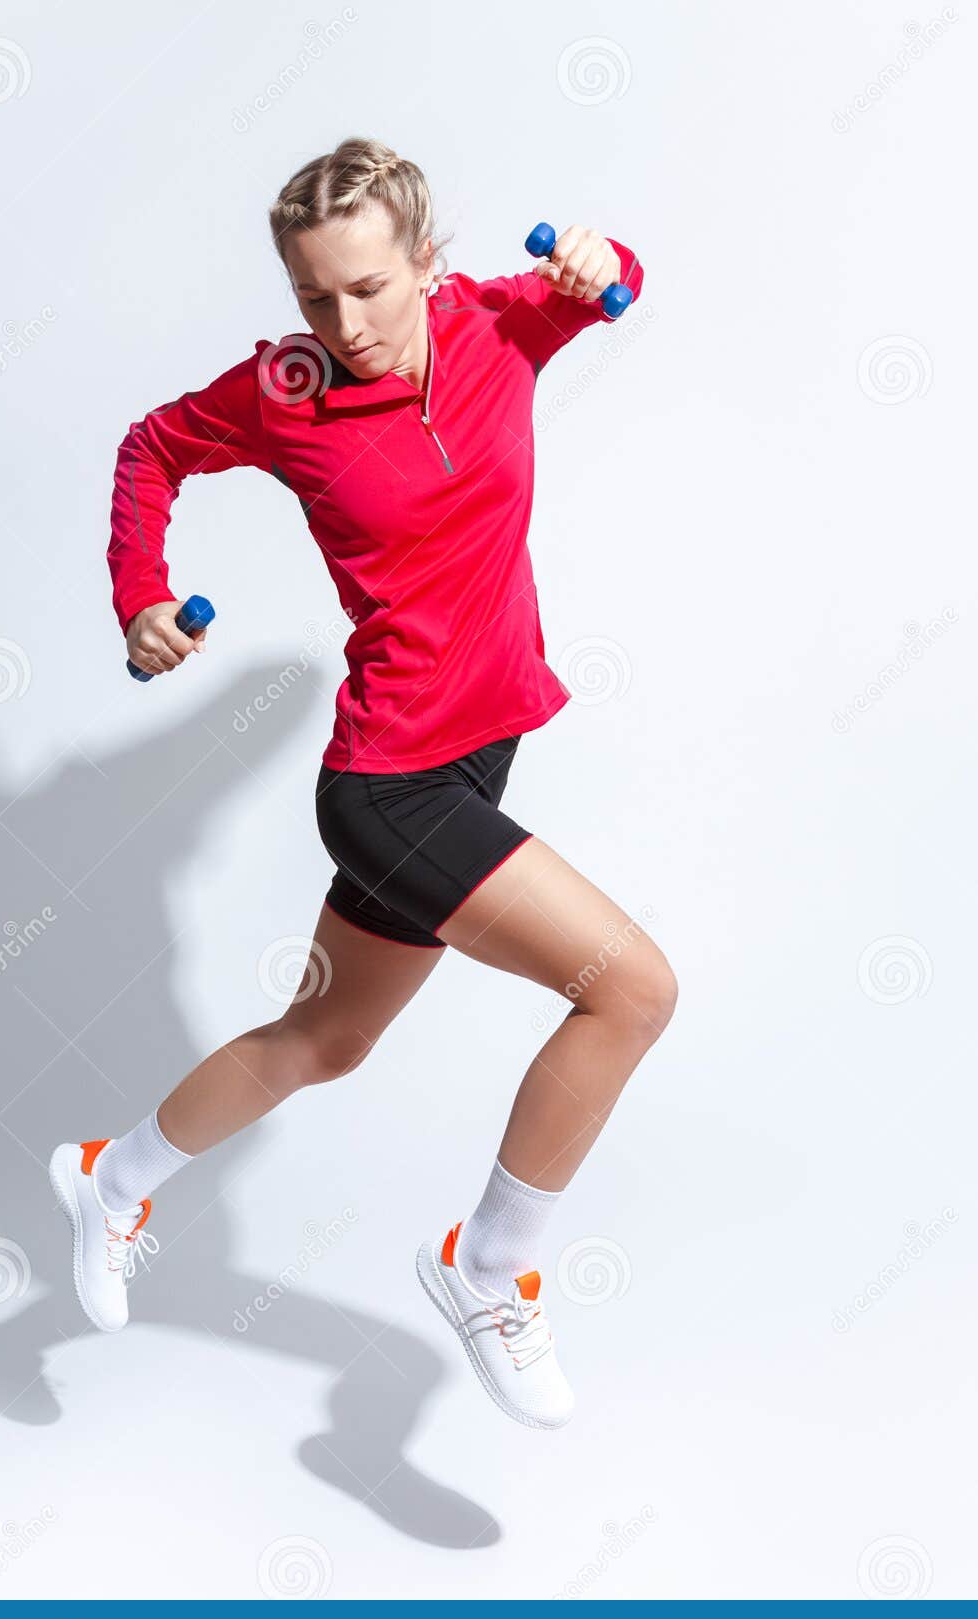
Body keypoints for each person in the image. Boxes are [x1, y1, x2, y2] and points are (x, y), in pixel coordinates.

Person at [49, 136, 677, 1431]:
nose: (345, 324)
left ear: (429, 262)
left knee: (320, 1040)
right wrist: (140, 599)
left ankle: (111, 1179)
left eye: (371, 290)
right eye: (315, 298)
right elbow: (152, 448)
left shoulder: (499, 323)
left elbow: (611, 283)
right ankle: (488, 1265)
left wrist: (608, 262)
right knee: (630, 988)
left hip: (479, 746)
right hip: (391, 782)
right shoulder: (289, 389)